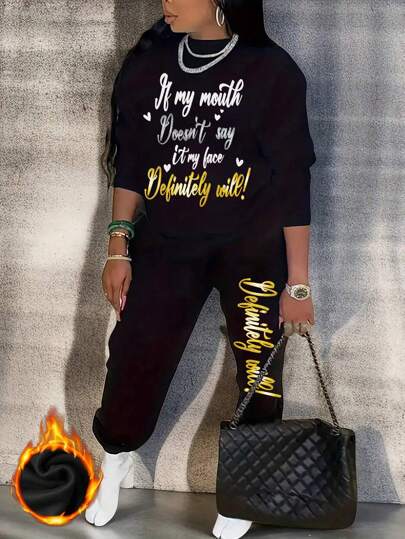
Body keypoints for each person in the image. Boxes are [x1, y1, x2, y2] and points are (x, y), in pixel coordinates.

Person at [85, 1, 316, 537]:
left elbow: (292, 181)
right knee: (136, 354)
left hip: (252, 250)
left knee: (259, 369)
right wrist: (118, 246)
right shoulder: (150, 64)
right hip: (167, 244)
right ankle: (115, 458)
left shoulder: (273, 71)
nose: (166, 1)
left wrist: (299, 281)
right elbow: (132, 161)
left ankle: (245, 486)